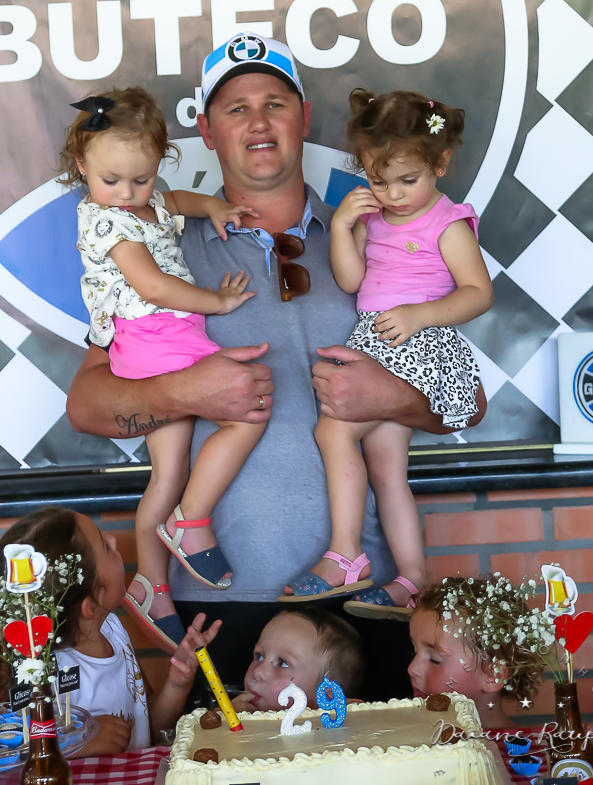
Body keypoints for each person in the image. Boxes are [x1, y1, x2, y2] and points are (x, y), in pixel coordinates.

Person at [66, 35, 486, 696]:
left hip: (365, 600)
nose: (258, 122)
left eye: (275, 103)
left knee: (379, 766)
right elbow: (87, 405)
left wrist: (390, 397)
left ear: (305, 118)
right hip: (219, 602)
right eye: (236, 109)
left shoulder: (374, 236)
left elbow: (468, 402)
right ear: (206, 130)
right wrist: (186, 391)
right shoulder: (157, 248)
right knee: (223, 767)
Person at [61, 88, 265, 650]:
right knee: (247, 412)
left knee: (167, 472)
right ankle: (191, 521)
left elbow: (176, 201)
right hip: (156, 334)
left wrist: (214, 208)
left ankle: (151, 582)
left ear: (159, 162)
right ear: (82, 166)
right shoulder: (108, 223)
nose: (127, 194)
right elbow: (151, 285)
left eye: (141, 179)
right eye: (111, 180)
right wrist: (217, 301)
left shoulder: (148, 203)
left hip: (162, 336)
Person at [283, 89, 492, 610]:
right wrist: (341, 226)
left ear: (440, 163)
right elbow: (351, 280)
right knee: (386, 468)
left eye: (407, 180)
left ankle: (346, 554)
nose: (393, 194)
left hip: (418, 344)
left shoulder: (447, 223)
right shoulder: (373, 219)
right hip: (379, 344)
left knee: (333, 430)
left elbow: (478, 293)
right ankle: (413, 578)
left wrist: (420, 314)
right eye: (379, 181)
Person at [0, 508, 221, 756]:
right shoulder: (43, 671)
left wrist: (177, 684)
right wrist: (79, 742)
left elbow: (147, 725)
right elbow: (19, 756)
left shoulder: (112, 629)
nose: (113, 539)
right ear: (92, 604)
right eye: (105, 546)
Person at [403, 575, 546, 728]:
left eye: (434, 659)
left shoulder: (519, 744)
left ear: (493, 675)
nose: (412, 669)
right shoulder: (407, 737)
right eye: (414, 652)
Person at [232, 607, 364, 714]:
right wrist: (229, 719)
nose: (258, 672)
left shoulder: (335, 735)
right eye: (259, 656)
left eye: (282, 663)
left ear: (327, 699)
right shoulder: (235, 713)